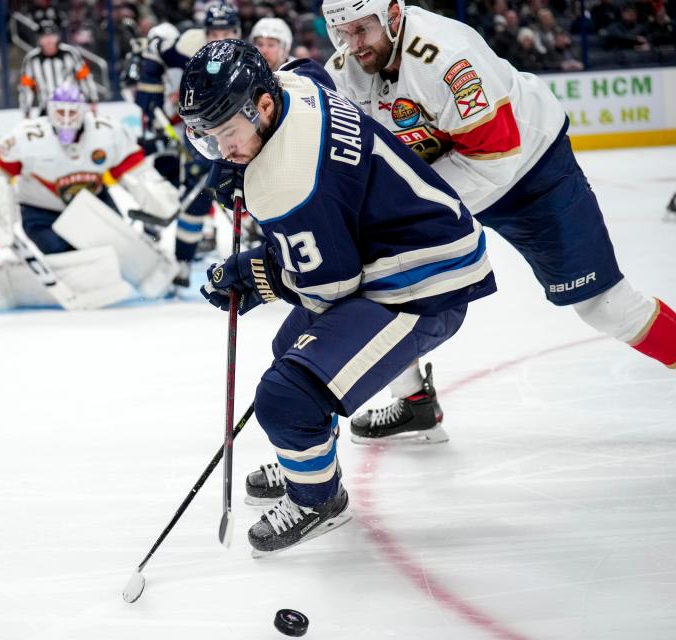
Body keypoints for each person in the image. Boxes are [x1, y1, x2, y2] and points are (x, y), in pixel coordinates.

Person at [179, 40, 496, 555]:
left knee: (287, 393)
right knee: (291, 349)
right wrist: (234, 161)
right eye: (209, 140)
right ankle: (311, 453)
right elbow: (309, 69)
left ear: (260, 107)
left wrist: (252, 273)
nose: (222, 150)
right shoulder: (293, 87)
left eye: (226, 136)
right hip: (412, 240)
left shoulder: (287, 183)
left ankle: (318, 499)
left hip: (420, 286)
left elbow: (330, 288)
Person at [316, 0, 675, 447]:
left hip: (530, 174)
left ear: (392, 14)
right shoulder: (344, 69)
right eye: (340, 33)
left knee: (606, 308)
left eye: (361, 30)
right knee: (377, 283)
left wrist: (409, 205)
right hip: (444, 186)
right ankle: (414, 403)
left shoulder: (447, 59)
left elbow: (495, 158)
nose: (352, 45)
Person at [0, 84, 176, 256]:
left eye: (72, 112)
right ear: (50, 111)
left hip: (93, 205)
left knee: (114, 248)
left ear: (82, 111)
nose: (66, 119)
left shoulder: (106, 131)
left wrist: (159, 204)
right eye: (60, 113)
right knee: (61, 251)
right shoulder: (27, 136)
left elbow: (135, 171)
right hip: (42, 212)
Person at [131, 2, 242, 285]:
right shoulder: (188, 46)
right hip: (200, 136)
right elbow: (156, 48)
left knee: (249, 198)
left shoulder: (246, 57)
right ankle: (183, 262)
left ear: (236, 31)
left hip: (240, 138)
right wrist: (150, 85)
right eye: (213, 32)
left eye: (225, 31)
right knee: (197, 195)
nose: (219, 39)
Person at [18, 19, 99, 118]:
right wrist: (26, 110)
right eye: (44, 36)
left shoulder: (70, 54)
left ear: (58, 37)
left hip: (73, 107)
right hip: (46, 110)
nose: (49, 40)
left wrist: (92, 100)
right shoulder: (31, 59)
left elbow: (85, 78)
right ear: (39, 39)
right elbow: (26, 87)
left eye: (52, 36)